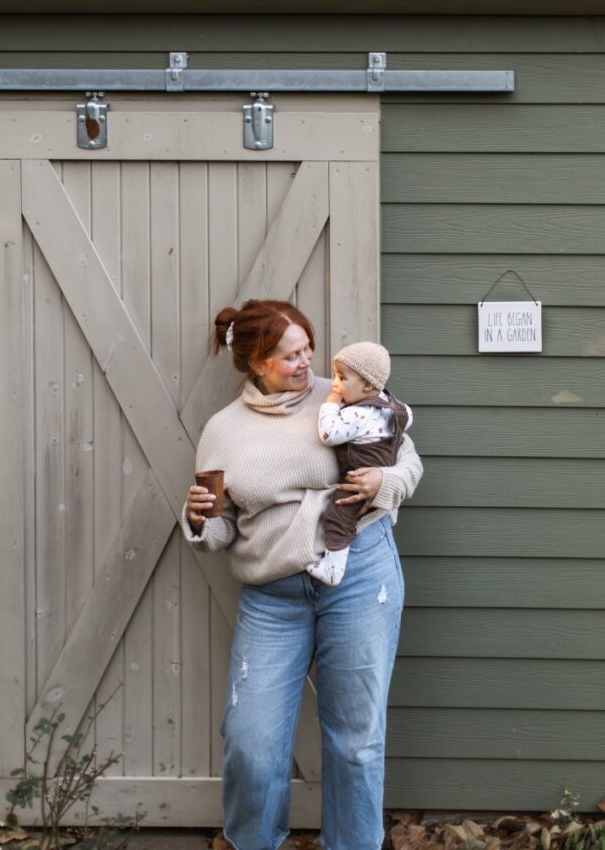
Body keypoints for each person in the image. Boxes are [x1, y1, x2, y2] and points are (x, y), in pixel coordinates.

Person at [181, 299, 423, 850]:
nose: (307, 363)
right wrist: (198, 516)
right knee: (252, 741)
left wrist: (384, 486)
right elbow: (222, 529)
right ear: (256, 364)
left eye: (308, 348)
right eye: (290, 355)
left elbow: (406, 457)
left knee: (356, 741)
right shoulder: (223, 431)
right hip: (275, 595)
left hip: (360, 574)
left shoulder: (342, 393)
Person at [307, 341, 413, 586]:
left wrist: (331, 405)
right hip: (381, 475)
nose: (335, 384)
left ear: (367, 384)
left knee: (337, 517)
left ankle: (332, 570)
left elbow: (329, 434)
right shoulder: (394, 409)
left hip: (356, 481)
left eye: (342, 378)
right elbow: (407, 418)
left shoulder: (356, 414)